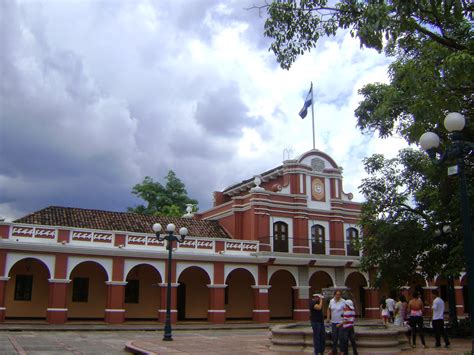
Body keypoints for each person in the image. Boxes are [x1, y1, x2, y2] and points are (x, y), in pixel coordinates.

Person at [326, 289, 345, 355]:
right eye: (337, 294)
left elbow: (346, 311)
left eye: (339, 295)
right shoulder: (331, 301)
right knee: (334, 337)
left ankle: (342, 351)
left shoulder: (343, 301)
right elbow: (328, 309)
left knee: (341, 337)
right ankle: (334, 350)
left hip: (341, 322)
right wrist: (328, 318)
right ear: (334, 294)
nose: (338, 296)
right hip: (333, 322)